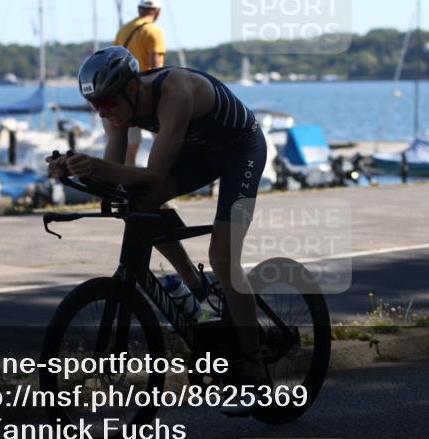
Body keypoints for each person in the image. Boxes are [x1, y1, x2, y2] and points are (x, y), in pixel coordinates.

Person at [45, 47, 267, 388]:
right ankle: (199, 289)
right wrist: (72, 169)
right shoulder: (115, 108)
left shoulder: (175, 92)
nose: (103, 111)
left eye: (107, 102)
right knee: (139, 203)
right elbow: (114, 176)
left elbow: (155, 174)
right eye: (95, 106)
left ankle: (253, 366)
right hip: (200, 152)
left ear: (132, 88)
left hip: (241, 150)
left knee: (223, 257)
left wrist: (97, 167)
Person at [114, 0, 166, 167]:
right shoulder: (153, 31)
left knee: (131, 142)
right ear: (157, 12)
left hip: (123, 94)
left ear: (139, 10)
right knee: (162, 138)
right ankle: (159, 177)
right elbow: (155, 67)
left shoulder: (124, 29)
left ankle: (125, 183)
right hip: (146, 94)